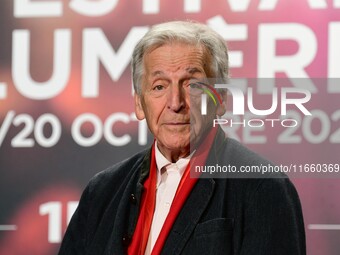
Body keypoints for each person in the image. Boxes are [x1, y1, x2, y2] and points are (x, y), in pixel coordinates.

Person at [58, 20, 306, 255]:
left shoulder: (263, 187)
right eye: (159, 86)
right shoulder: (102, 191)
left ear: (221, 100)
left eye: (192, 85)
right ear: (139, 104)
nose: (175, 103)